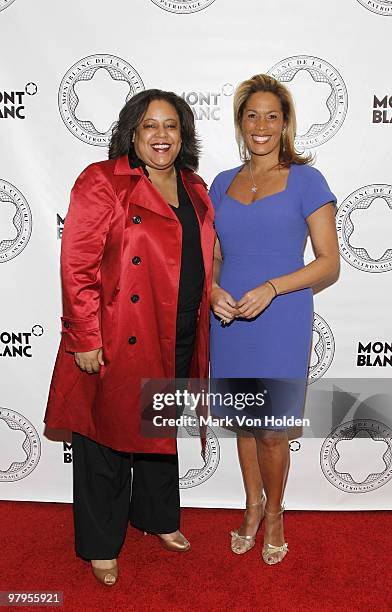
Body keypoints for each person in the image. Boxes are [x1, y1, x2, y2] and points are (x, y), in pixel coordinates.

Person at [44, 89, 215, 585]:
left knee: (159, 427)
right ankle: (101, 542)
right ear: (132, 133)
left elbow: (201, 256)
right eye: (150, 126)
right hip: (121, 332)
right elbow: (76, 266)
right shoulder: (103, 181)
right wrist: (85, 338)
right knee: (106, 438)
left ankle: (157, 517)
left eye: (171, 126)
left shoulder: (194, 185)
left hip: (179, 327)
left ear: (183, 134)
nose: (161, 136)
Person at [209, 74, 339, 565]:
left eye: (272, 115)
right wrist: (215, 289)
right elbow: (216, 256)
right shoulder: (223, 182)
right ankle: (251, 506)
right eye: (252, 115)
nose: (261, 125)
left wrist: (272, 287)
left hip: (281, 316)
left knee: (271, 428)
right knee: (245, 422)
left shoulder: (307, 180)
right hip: (230, 320)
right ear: (240, 122)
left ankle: (277, 513)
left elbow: (328, 261)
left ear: (285, 124)